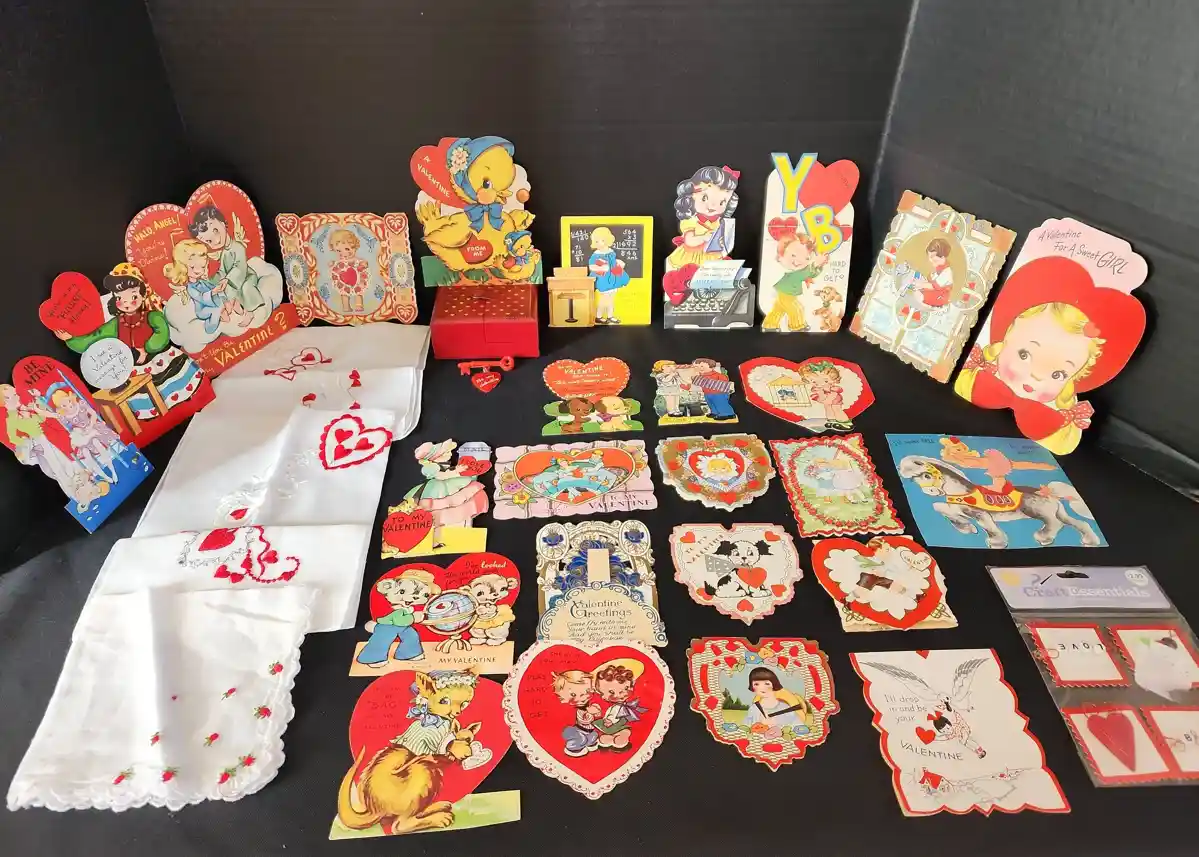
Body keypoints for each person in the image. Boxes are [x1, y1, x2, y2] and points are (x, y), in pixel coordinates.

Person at [954, 256, 1139, 455]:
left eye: (1058, 374)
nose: (1036, 376)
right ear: (1006, 335)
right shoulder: (973, 373)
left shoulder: (1058, 422)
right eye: (1024, 354)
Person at [60, 265, 206, 420]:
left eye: (133, 296)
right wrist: (71, 339)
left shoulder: (152, 315)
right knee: (146, 397)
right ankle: (162, 418)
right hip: (134, 366)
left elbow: (162, 332)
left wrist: (147, 348)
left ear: (143, 294)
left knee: (175, 382)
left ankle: (187, 405)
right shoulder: (115, 323)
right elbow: (95, 337)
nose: (127, 303)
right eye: (120, 298)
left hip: (161, 359)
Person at [403, 441, 488, 550]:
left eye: (448, 452)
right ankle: (434, 541)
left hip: (447, 484)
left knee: (451, 510)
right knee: (436, 516)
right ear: (435, 456)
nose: (450, 454)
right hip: (437, 489)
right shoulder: (431, 467)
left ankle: (450, 536)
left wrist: (458, 470)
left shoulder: (442, 464)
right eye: (446, 453)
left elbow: (448, 472)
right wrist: (456, 471)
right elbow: (441, 476)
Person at [189, 204, 267, 317]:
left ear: (223, 224)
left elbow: (239, 267)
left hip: (247, 276)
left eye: (216, 231)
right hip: (232, 280)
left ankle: (251, 312)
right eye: (209, 241)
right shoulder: (224, 253)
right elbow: (222, 270)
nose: (216, 240)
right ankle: (237, 309)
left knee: (246, 288)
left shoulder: (238, 247)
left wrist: (228, 279)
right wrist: (211, 280)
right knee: (226, 290)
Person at [666, 165, 739, 271]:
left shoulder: (719, 222)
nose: (712, 206)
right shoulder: (691, 220)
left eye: (722, 202)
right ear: (692, 195)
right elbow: (689, 241)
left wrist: (721, 243)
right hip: (691, 257)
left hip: (711, 256)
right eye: (704, 198)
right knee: (689, 273)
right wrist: (704, 238)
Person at [164, 238, 246, 331]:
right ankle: (210, 327)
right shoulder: (191, 288)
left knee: (231, 299)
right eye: (192, 267)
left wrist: (222, 295)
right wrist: (213, 292)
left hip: (214, 302)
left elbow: (213, 287)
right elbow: (201, 298)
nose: (198, 270)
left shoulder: (203, 282)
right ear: (183, 268)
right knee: (216, 311)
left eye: (202, 267)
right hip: (204, 309)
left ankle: (241, 314)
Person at [762, 220, 828, 332]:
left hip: (786, 292)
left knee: (778, 309)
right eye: (793, 255)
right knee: (796, 308)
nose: (799, 261)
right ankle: (797, 326)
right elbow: (805, 273)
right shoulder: (790, 271)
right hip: (786, 292)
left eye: (806, 258)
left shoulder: (801, 270)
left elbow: (811, 273)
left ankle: (770, 326)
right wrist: (815, 264)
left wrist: (820, 265)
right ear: (781, 255)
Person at [743, 667, 813, 738]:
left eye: (767, 683)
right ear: (752, 687)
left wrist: (777, 723)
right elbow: (745, 728)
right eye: (756, 684)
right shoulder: (754, 709)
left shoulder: (785, 708)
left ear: (774, 684)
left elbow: (798, 727)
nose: (762, 688)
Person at [587, 227, 630, 325]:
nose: (599, 243)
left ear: (607, 240)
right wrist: (602, 268)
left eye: (602, 240)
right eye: (597, 241)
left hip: (613, 277)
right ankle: (598, 316)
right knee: (604, 299)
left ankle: (610, 316)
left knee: (611, 298)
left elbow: (613, 263)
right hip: (604, 279)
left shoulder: (611, 252)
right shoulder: (596, 255)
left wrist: (619, 263)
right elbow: (592, 266)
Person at [554, 670, 601, 757]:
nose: (583, 697)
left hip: (589, 730)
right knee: (581, 739)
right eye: (573, 694)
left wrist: (596, 711)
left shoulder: (590, 705)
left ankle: (589, 743)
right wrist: (589, 713)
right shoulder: (573, 709)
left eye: (587, 691)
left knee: (594, 736)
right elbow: (583, 719)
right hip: (575, 730)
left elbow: (597, 716)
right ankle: (573, 748)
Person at [327, 228, 371, 314]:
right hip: (343, 280)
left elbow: (363, 264)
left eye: (347, 249)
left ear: (355, 247)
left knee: (359, 292)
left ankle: (359, 305)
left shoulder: (356, 260)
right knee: (344, 292)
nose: (343, 253)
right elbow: (336, 266)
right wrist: (332, 263)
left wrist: (364, 264)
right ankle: (346, 307)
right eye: (338, 251)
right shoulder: (340, 262)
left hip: (357, 279)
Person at [798, 360, 851, 430]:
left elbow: (836, 392)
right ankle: (832, 421)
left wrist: (827, 396)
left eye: (825, 381)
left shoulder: (832, 388)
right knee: (828, 409)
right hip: (825, 398)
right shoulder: (816, 388)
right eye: (813, 381)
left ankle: (846, 423)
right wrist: (821, 394)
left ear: (833, 380)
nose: (819, 383)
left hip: (834, 398)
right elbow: (819, 394)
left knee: (836, 409)